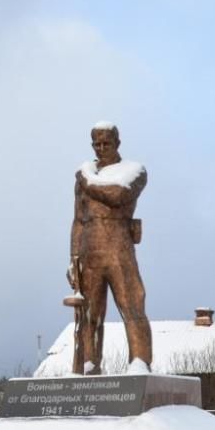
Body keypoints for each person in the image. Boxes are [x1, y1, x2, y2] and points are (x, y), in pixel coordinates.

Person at [68, 122, 152, 375]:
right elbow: (78, 220)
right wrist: (73, 258)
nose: (102, 148)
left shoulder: (133, 171)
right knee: (89, 316)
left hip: (119, 249)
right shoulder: (84, 176)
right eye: (97, 144)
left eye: (107, 143)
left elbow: (118, 195)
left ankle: (139, 363)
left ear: (117, 142)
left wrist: (87, 179)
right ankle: (89, 364)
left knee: (132, 307)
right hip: (88, 251)